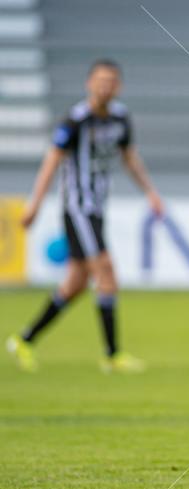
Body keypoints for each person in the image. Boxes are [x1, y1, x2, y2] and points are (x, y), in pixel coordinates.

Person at [6, 59, 164, 373]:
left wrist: (150, 191)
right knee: (106, 271)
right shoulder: (75, 120)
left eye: (111, 81)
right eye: (100, 80)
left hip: (98, 208)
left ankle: (24, 340)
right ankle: (112, 354)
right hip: (78, 208)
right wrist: (35, 204)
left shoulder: (120, 118)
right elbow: (52, 161)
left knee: (76, 283)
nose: (105, 86)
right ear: (89, 84)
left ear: (118, 86)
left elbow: (129, 157)